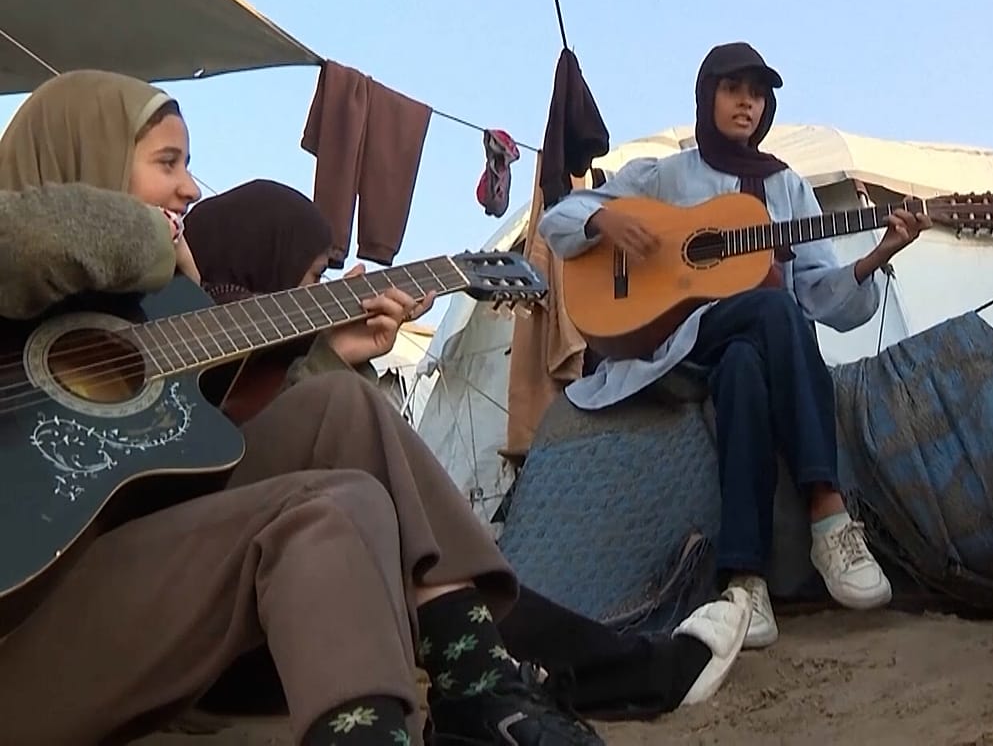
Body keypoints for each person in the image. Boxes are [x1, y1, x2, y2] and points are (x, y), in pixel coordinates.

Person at [0, 70, 608, 746]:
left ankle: (477, 690)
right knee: (316, 511)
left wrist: (328, 351)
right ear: (79, 157)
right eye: (167, 162)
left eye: (189, 165)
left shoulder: (140, 323)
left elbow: (204, 465)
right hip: (25, 645)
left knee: (339, 416)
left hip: (130, 609)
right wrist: (147, 239)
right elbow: (27, 244)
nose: (192, 189)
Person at [183, 177, 752, 722]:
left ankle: (555, 670)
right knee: (408, 537)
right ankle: (622, 672)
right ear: (265, 267)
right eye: (309, 280)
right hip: (216, 647)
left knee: (395, 537)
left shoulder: (275, 382)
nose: (187, 186)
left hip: (281, 652)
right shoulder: (178, 366)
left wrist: (337, 356)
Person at [539, 42, 930, 648]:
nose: (747, 102)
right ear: (707, 97)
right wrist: (604, 220)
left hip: (746, 349)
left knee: (752, 357)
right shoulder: (664, 174)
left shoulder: (789, 189)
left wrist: (879, 253)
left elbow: (824, 299)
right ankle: (827, 510)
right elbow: (556, 222)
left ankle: (744, 579)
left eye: (758, 93)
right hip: (677, 342)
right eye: (733, 89)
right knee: (775, 307)